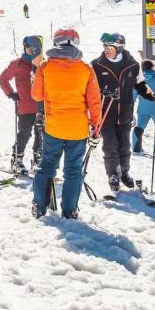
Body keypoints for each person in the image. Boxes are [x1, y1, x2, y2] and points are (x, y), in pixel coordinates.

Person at [31, 27, 103, 219]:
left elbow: (36, 95)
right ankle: (70, 210)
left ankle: (39, 205)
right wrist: (96, 128)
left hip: (54, 126)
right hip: (77, 129)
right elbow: (95, 102)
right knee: (73, 170)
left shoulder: (45, 67)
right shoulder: (86, 69)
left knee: (46, 165)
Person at [91, 33, 155, 192]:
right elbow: (89, 88)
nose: (106, 50)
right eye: (105, 47)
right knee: (110, 145)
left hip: (125, 112)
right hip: (105, 113)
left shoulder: (132, 65)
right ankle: (113, 174)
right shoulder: (96, 65)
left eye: (110, 47)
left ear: (119, 48)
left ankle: (124, 172)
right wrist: (102, 92)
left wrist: (152, 95)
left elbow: (141, 85)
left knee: (125, 145)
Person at [0, 35, 42, 175]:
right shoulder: (17, 64)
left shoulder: (43, 64)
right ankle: (17, 160)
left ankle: (38, 160)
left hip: (41, 106)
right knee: (24, 133)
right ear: (24, 47)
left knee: (40, 134)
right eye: (28, 47)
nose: (31, 50)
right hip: (25, 106)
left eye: (34, 47)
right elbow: (3, 78)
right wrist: (10, 93)